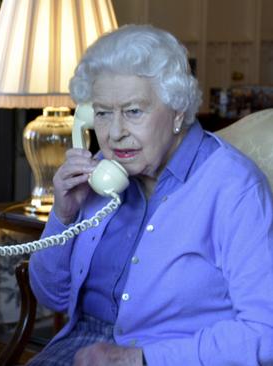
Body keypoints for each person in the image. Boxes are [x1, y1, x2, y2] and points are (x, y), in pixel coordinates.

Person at [28, 24, 273, 366]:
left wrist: (140, 358)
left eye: (133, 111)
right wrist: (63, 215)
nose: (114, 133)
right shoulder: (100, 174)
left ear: (177, 111)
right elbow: (52, 296)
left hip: (175, 356)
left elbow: (265, 333)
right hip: (80, 350)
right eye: (102, 113)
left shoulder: (234, 187)